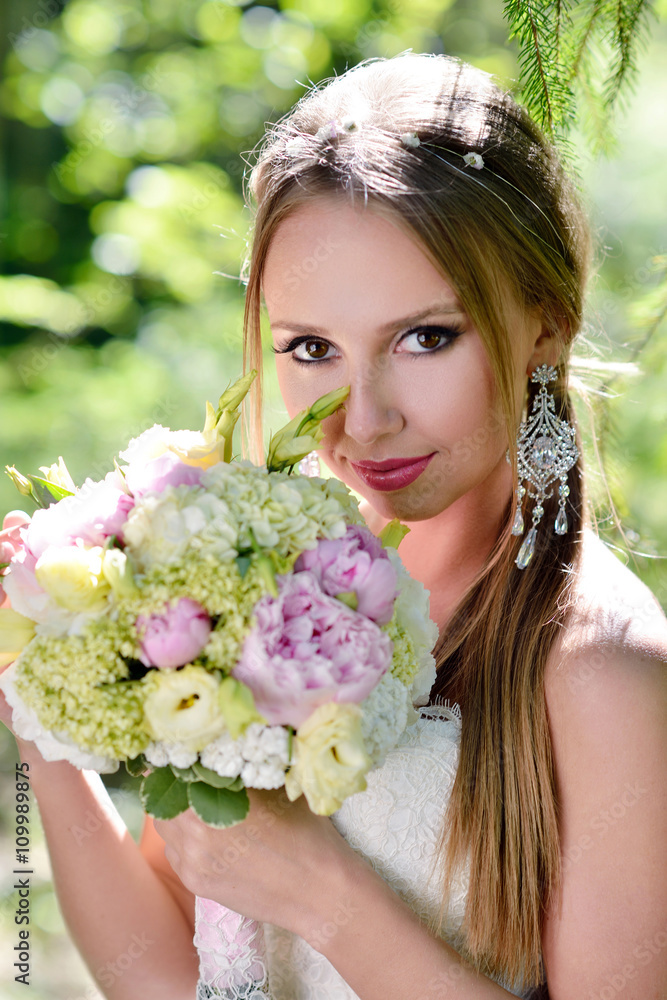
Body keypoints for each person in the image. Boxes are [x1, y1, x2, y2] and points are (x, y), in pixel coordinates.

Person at [2, 51, 666, 1000]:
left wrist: (327, 900)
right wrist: (38, 705)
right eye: (312, 348)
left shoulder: (603, 671)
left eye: (425, 337)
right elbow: (168, 976)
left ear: (545, 326)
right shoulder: (269, 581)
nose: (363, 419)